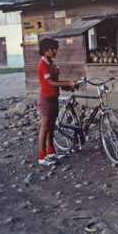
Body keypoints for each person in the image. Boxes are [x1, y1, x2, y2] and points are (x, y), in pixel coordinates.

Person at [36, 38, 78, 166]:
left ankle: (51, 152)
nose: (55, 51)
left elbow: (56, 81)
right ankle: (41, 156)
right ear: (46, 50)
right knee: (44, 127)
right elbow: (51, 83)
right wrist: (68, 83)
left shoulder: (51, 63)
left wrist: (67, 84)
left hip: (54, 97)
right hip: (46, 99)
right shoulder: (42, 65)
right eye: (53, 49)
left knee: (51, 126)